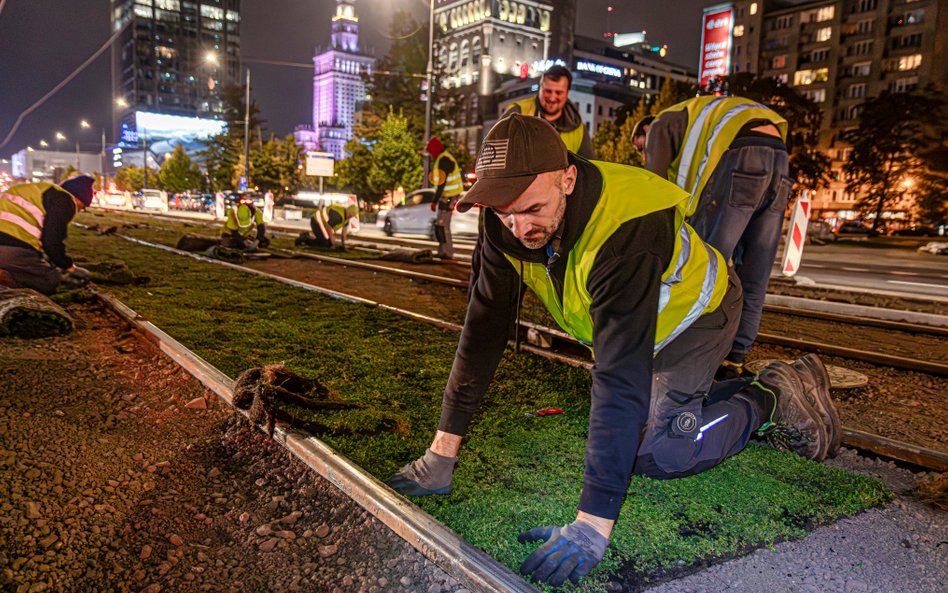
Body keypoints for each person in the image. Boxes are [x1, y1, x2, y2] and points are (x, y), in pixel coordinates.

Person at [386, 114, 839, 586]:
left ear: (567, 178)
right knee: (634, 430)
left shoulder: (625, 227)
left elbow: (619, 377)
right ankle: (728, 393)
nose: (518, 228)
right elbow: (483, 331)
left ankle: (770, 396)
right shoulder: (504, 215)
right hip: (640, 331)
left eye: (532, 209)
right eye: (505, 213)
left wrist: (592, 524)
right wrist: (440, 455)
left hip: (698, 317)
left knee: (661, 453)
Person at [635, 96, 792, 377]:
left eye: (640, 148)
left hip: (742, 153)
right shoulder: (699, 117)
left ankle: (697, 355)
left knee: (706, 269)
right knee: (756, 268)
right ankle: (735, 358)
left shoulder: (661, 124)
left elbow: (654, 187)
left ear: (646, 131)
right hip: (779, 155)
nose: (644, 154)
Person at [0, 175, 95, 294]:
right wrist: (69, 267)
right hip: (12, 249)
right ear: (79, 200)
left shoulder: (36, 190)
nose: (78, 211)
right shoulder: (65, 200)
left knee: (29, 266)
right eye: (82, 207)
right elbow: (51, 241)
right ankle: (6, 279)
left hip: (8, 246)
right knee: (50, 281)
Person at [505, 65, 595, 159]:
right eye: (548, 91)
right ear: (540, 88)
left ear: (567, 93)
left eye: (558, 92)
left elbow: (589, 166)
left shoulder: (577, 128)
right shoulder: (517, 113)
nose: (552, 98)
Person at [425, 137, 463, 259]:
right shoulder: (443, 158)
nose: (430, 154)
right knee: (441, 224)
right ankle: (443, 251)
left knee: (443, 225)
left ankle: (447, 252)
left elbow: (441, 183)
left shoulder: (444, 160)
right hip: (448, 196)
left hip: (449, 197)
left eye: (431, 151)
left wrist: (434, 201)